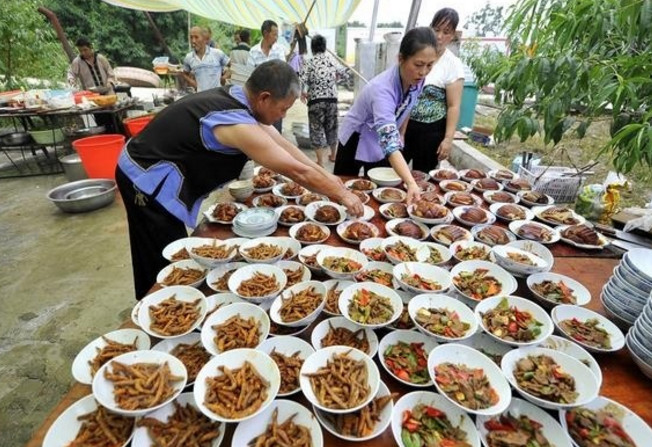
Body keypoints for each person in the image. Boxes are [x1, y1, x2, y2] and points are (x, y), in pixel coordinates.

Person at [115, 60, 362, 300]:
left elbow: (284, 146)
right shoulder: (237, 123)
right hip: (144, 173)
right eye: (284, 108)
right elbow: (295, 172)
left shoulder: (241, 97)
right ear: (265, 97)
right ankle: (158, 305)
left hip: (154, 162)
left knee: (171, 245)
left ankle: (169, 295)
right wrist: (342, 195)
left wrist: (328, 177)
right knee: (160, 249)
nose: (283, 114)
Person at [334, 27, 439, 204]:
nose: (423, 72)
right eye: (418, 64)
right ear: (401, 59)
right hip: (356, 136)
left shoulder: (418, 80)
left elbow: (408, 106)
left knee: (380, 191)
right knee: (344, 189)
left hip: (380, 136)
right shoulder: (382, 90)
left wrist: (402, 133)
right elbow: (390, 145)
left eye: (430, 65)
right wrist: (411, 183)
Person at [403, 8, 465, 172]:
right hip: (405, 125)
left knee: (423, 177)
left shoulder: (453, 64)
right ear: (430, 28)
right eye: (436, 30)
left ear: (452, 35)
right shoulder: (417, 53)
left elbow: (454, 106)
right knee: (393, 172)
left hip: (431, 132)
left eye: (446, 32)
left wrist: (448, 139)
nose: (439, 36)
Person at [299, 34, 347, 167]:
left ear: (312, 48)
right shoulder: (332, 60)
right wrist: (336, 79)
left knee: (316, 129)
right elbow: (345, 73)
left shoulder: (309, 62)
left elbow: (301, 79)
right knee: (331, 127)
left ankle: (320, 161)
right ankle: (333, 155)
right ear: (325, 47)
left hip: (315, 100)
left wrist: (302, 92)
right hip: (331, 99)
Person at [248, 20, 287, 133]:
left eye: (277, 34)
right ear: (265, 33)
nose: (276, 37)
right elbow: (250, 76)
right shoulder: (253, 52)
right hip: (260, 99)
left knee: (276, 131)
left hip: (277, 97)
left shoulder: (279, 50)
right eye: (274, 34)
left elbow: (282, 71)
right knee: (260, 131)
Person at [182, 26, 229, 92]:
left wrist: (224, 77)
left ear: (204, 39)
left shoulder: (217, 53)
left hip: (216, 97)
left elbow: (233, 66)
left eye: (196, 37)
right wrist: (193, 83)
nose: (193, 41)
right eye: (191, 37)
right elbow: (184, 73)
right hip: (201, 98)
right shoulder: (189, 57)